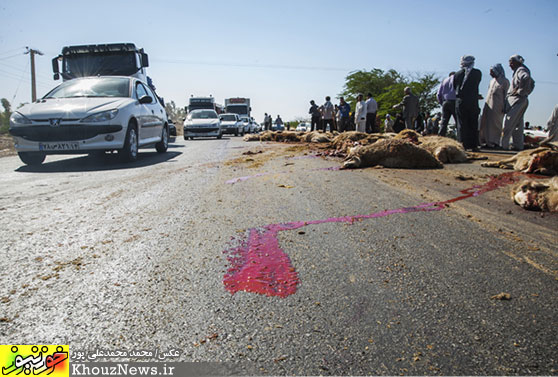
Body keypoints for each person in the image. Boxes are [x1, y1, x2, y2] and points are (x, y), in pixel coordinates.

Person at [501, 54, 535, 151]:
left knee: (508, 124)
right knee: (517, 126)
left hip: (517, 100)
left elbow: (526, 78)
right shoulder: (520, 70)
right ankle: (518, 146)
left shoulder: (521, 70)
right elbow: (532, 83)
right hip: (520, 99)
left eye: (511, 62)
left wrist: (520, 91)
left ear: (516, 62)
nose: (510, 65)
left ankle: (504, 146)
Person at [453, 55, 482, 151]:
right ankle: (473, 145)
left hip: (461, 101)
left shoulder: (457, 74)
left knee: (462, 124)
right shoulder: (477, 73)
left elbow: (455, 87)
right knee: (473, 123)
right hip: (472, 101)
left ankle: (462, 144)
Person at [479, 64, 510, 148]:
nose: (490, 74)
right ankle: (485, 141)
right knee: (485, 122)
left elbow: (507, 95)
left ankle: (494, 142)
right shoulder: (492, 81)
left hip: (498, 106)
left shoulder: (505, 81)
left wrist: (505, 106)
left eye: (492, 72)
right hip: (488, 104)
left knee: (495, 124)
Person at [437, 72, 457, 137]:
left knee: (444, 121)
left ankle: (440, 136)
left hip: (445, 102)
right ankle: (460, 137)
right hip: (454, 101)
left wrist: (442, 103)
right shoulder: (456, 79)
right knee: (458, 121)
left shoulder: (444, 80)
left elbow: (438, 94)